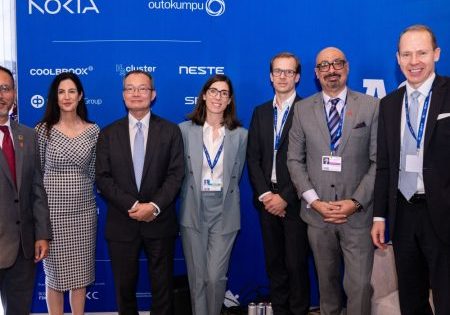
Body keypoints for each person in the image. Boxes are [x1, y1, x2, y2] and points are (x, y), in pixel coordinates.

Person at [287, 47, 379, 315]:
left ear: (347, 67)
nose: (331, 70)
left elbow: (378, 161)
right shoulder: (302, 110)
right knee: (327, 289)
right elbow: (294, 160)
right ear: (316, 74)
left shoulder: (371, 107)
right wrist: (314, 202)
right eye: (324, 65)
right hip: (318, 217)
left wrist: (355, 202)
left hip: (358, 218)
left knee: (360, 287)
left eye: (337, 63)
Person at [371, 24, 450, 315]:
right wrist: (380, 216)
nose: (414, 61)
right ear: (398, 58)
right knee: (412, 300)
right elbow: (383, 166)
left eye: (421, 53)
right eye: (406, 54)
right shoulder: (389, 104)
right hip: (402, 214)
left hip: (443, 212)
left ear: (436, 54)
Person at [96, 70, 184, 315]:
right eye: (130, 88)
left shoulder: (170, 131)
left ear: (153, 94)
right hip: (122, 222)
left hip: (160, 220)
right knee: (124, 289)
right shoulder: (108, 134)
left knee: (162, 288)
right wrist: (134, 206)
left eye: (142, 88)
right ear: (123, 95)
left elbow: (176, 175)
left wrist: (153, 207)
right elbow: (102, 178)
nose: (136, 93)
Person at [247, 52, 310, 315]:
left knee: (296, 266)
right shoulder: (260, 112)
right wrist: (265, 196)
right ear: (271, 76)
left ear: (297, 77)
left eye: (288, 72)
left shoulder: (309, 110)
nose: (282, 77)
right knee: (274, 265)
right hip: (266, 202)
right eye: (277, 72)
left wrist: (285, 197)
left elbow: (310, 161)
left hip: (295, 201)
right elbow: (252, 158)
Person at [178, 74, 247, 315]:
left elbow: (238, 171)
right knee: (197, 278)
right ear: (204, 95)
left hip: (225, 209)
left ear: (229, 100)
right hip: (193, 208)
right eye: (214, 91)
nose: (218, 97)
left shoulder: (240, 135)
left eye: (224, 93)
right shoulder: (185, 130)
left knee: (215, 277)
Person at [35, 72, 99, 315]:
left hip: (83, 214)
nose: (67, 96)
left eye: (72, 91)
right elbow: (36, 176)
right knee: (55, 278)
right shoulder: (43, 130)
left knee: (80, 277)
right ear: (55, 96)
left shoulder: (93, 131)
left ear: (80, 95)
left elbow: (94, 172)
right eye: (61, 92)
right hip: (52, 216)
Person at [0, 65, 51, 315]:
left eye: (5, 88)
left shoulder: (28, 136)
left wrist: (42, 234)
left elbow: (36, 187)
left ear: (14, 94)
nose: (0, 94)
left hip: (23, 246)